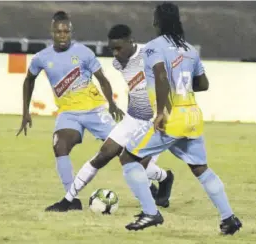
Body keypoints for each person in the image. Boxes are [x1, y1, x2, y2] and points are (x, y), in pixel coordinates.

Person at [118, 2, 242, 234]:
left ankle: (150, 213)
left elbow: (161, 76)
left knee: (128, 157)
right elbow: (203, 84)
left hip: (172, 115)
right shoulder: (190, 49)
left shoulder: (154, 47)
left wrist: (162, 112)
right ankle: (229, 218)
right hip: (192, 114)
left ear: (157, 22)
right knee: (201, 168)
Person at [44, 24, 174, 212]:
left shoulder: (151, 53)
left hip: (157, 120)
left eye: (119, 48)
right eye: (112, 49)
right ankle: (67, 200)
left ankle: (164, 179)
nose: (115, 53)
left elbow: (166, 80)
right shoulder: (118, 63)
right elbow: (135, 88)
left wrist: (164, 112)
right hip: (134, 117)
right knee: (103, 154)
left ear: (131, 41)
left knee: (138, 165)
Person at [16, 11, 124, 211]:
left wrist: (112, 103)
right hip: (68, 113)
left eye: (67, 32)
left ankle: (155, 181)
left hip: (94, 110)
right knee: (60, 145)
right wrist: (25, 111)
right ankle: (71, 200)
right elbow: (28, 80)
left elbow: (102, 79)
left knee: (122, 149)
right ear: (52, 33)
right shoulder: (41, 57)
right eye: (59, 32)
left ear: (71, 32)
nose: (63, 35)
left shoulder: (84, 52)